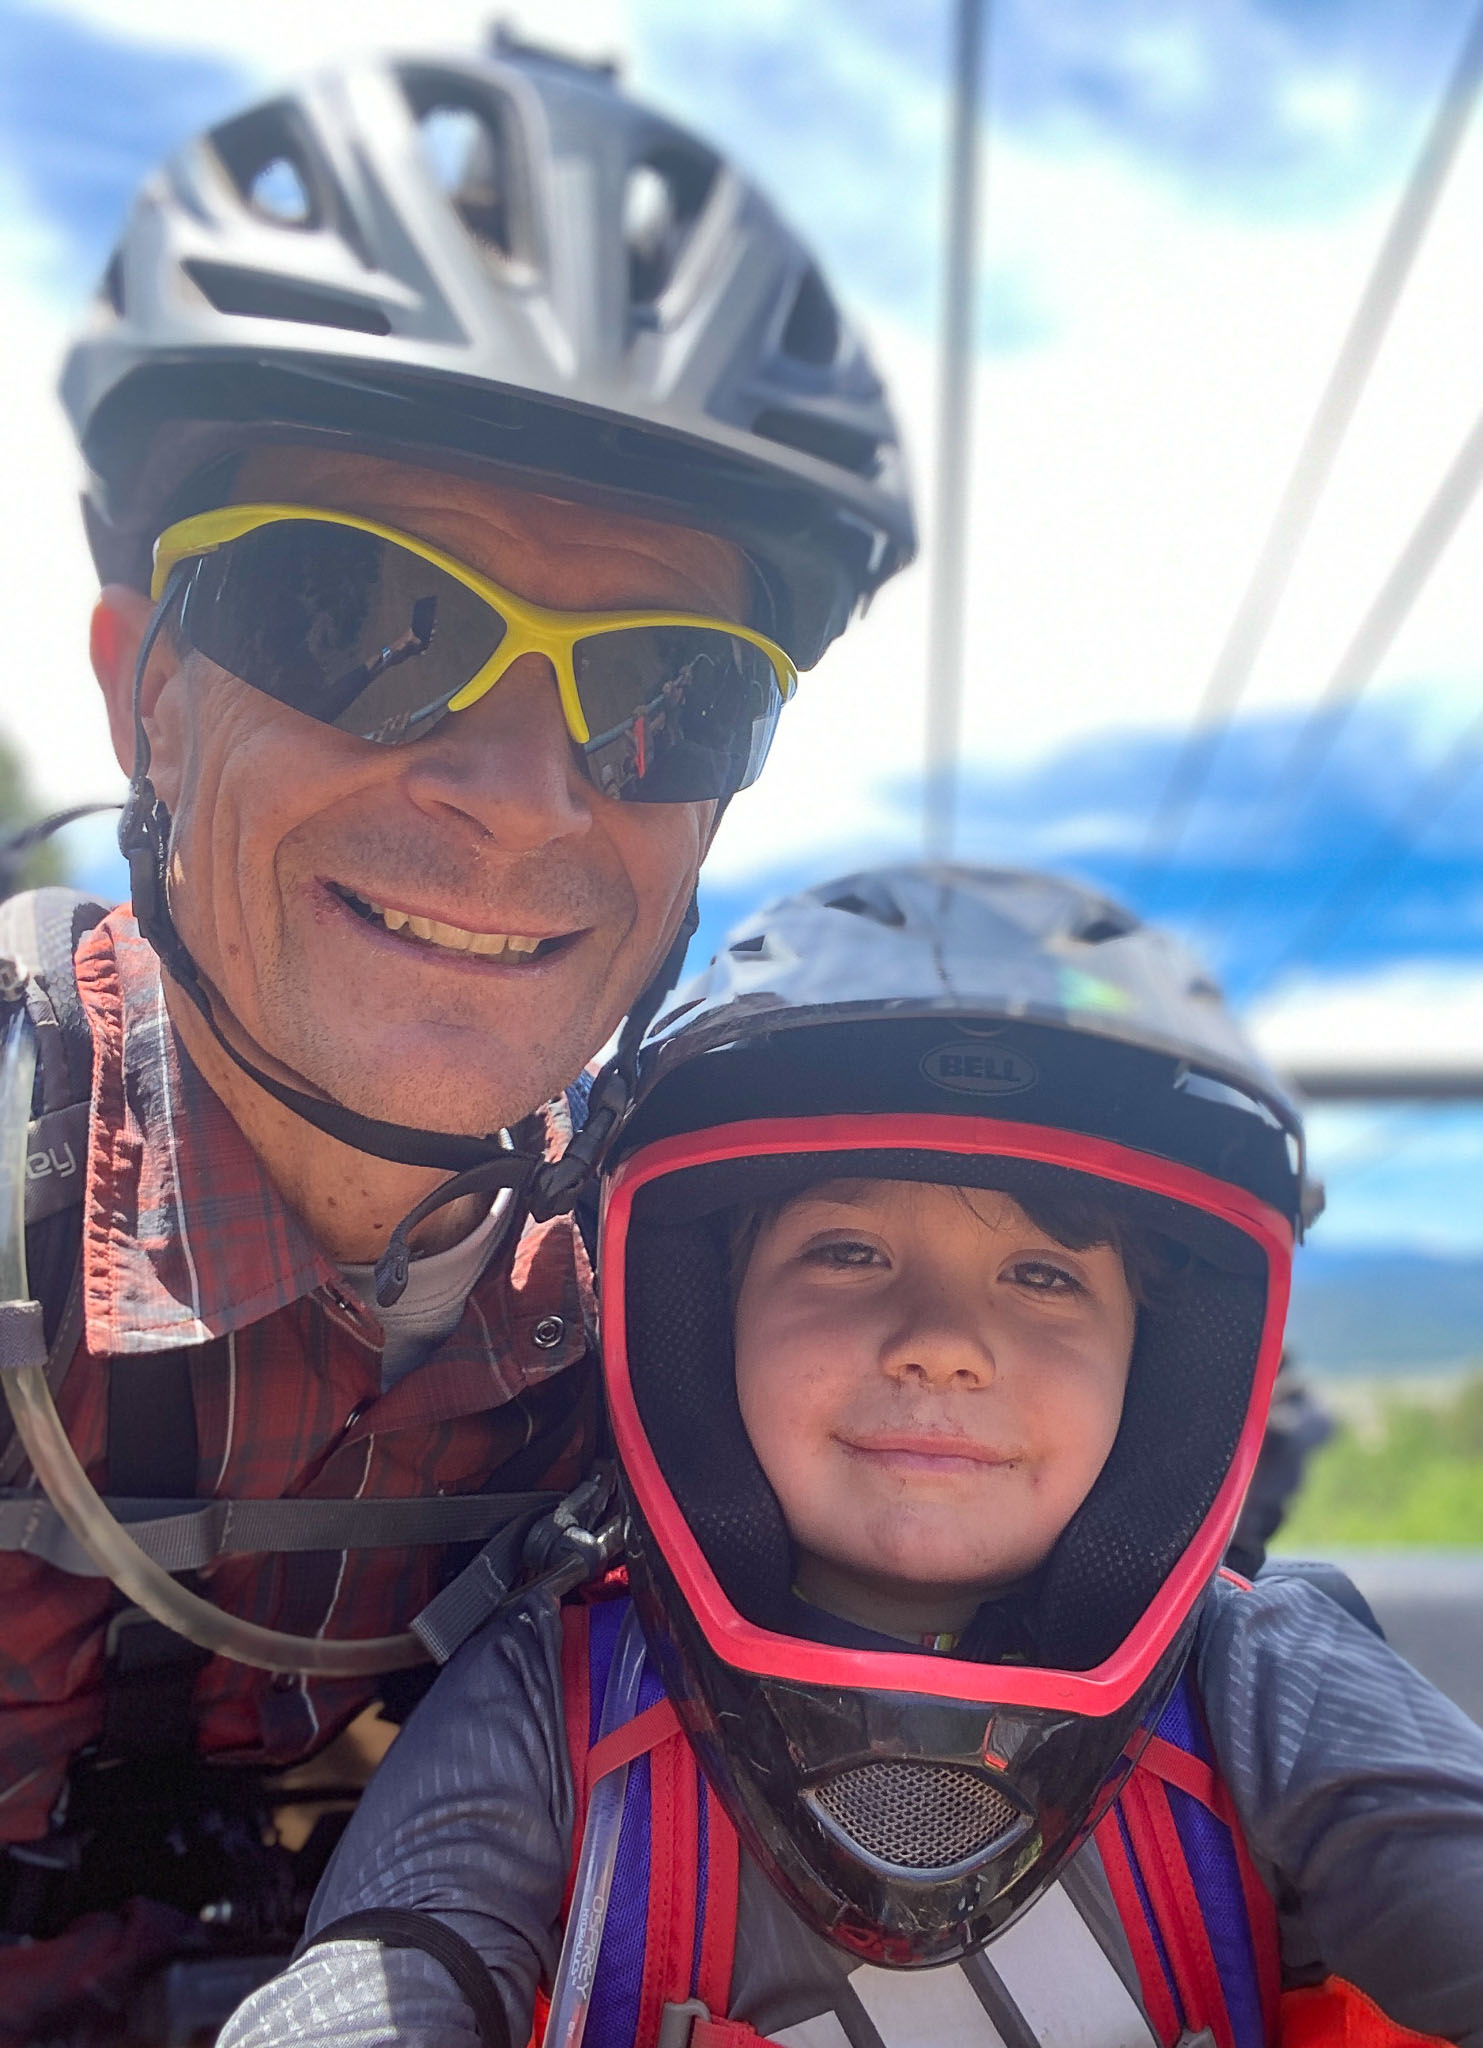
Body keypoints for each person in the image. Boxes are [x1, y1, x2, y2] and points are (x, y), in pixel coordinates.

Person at [0, 33, 913, 2044]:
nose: (519, 796)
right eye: (360, 618)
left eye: (667, 692)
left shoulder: (697, 1294)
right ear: (145, 693)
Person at [221, 865, 1483, 2048]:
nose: (941, 1344)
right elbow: (371, 1982)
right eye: (846, 1251)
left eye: (1041, 1274)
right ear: (697, 1324)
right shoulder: (553, 1689)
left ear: (1156, 1372)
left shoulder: (1259, 1676)